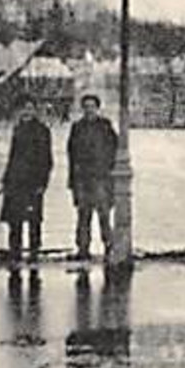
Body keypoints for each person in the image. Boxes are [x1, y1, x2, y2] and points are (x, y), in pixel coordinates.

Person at [0, 96, 53, 264]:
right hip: (16, 181)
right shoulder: (18, 128)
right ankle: (15, 250)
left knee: (33, 218)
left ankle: (34, 250)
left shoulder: (41, 130)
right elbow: (13, 157)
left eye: (30, 108)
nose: (26, 111)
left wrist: (42, 182)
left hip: (32, 181)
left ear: (35, 110)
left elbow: (46, 159)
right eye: (24, 108)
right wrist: (6, 179)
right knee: (14, 218)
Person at [67, 93, 118, 261]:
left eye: (92, 107)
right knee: (83, 215)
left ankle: (109, 245)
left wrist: (111, 173)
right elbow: (71, 155)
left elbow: (114, 149)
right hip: (83, 179)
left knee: (104, 214)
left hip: (101, 178)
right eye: (86, 107)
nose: (89, 110)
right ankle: (82, 248)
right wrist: (72, 181)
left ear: (97, 108)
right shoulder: (77, 128)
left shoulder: (105, 126)